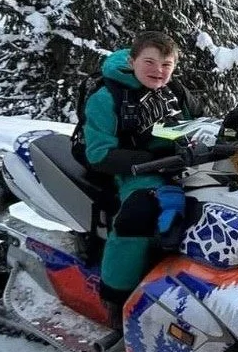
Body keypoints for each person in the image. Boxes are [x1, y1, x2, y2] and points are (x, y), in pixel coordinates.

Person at [81, 31, 197, 326]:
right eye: (150, 62)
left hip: (174, 167)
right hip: (129, 173)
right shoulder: (107, 97)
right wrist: (151, 162)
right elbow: (99, 154)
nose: (158, 71)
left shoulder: (176, 92)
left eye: (166, 65)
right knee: (139, 215)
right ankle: (116, 298)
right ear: (132, 61)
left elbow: (196, 125)